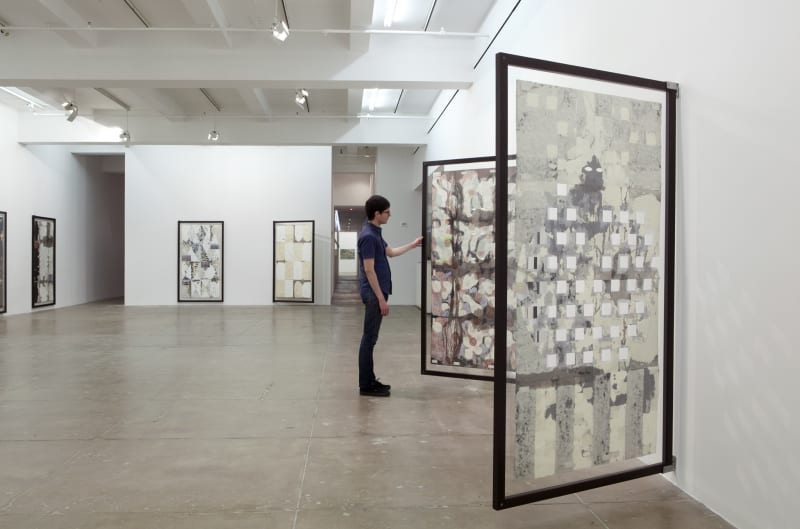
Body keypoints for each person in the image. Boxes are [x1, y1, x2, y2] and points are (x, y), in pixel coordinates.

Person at [357, 195, 423, 397]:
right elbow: (369, 271)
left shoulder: (375, 234)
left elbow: (391, 253)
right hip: (374, 294)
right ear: (377, 214)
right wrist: (381, 299)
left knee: (371, 338)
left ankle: (370, 380)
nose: (390, 214)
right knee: (369, 339)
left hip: (377, 293)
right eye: (387, 211)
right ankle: (366, 385)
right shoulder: (368, 236)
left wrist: (412, 244)